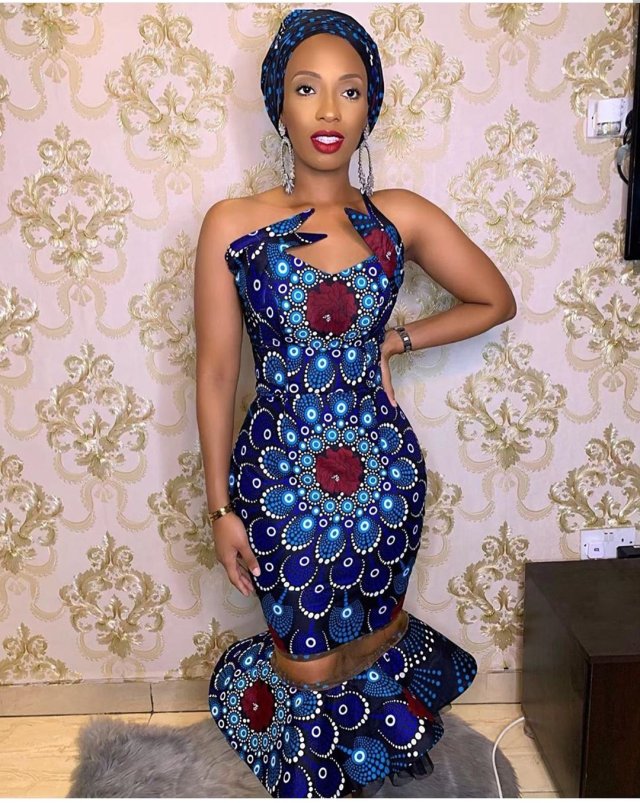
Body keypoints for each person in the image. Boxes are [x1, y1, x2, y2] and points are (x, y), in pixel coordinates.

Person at [195, 8, 516, 799]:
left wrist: (398, 339)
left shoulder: (397, 217)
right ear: (280, 104)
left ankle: (366, 753)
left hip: (384, 477)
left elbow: (494, 299)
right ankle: (319, 766)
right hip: (278, 480)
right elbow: (215, 372)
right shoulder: (233, 224)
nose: (329, 109)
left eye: (350, 90)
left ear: (371, 107)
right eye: (308, 88)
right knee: (306, 656)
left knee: (368, 638)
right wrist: (220, 508)